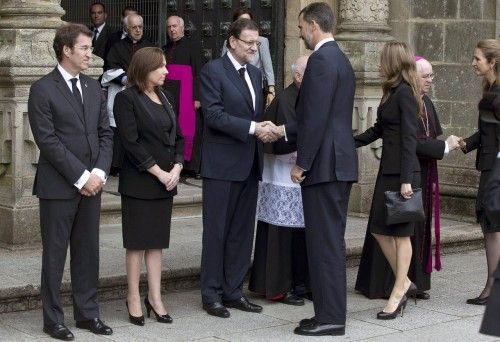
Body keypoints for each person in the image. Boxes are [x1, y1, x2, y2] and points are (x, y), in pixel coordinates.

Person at [28, 23, 113, 340]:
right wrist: (81, 177)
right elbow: (47, 142)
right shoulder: (43, 89)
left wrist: (100, 173)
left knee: (88, 252)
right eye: (85, 48)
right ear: (66, 50)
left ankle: (87, 314)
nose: (91, 54)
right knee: (54, 254)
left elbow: (106, 133)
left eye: (90, 48)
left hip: (94, 186)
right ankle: (53, 320)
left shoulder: (93, 88)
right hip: (59, 187)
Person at [354, 56, 462, 300]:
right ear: (412, 74)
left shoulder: (421, 101)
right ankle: (391, 284)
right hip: (406, 172)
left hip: (416, 173)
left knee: (409, 232)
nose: (430, 81)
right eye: (426, 76)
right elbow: (412, 141)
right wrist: (444, 147)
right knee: (392, 230)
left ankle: (409, 283)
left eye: (432, 76)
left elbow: (416, 139)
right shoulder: (402, 96)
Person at [285, 2, 358, 336]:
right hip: (338, 163)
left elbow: (315, 119)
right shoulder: (340, 58)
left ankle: (330, 318)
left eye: (301, 27)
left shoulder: (321, 61)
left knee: (324, 244)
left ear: (313, 25)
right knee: (329, 243)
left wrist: (302, 163)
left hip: (325, 167)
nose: (300, 34)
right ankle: (329, 313)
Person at [199, 18, 278, 319]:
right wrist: (253, 127)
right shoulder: (213, 71)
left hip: (249, 164)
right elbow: (214, 116)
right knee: (216, 232)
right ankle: (211, 294)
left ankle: (234, 290)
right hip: (221, 166)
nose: (253, 48)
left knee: (242, 233)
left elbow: (254, 115)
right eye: (248, 42)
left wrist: (265, 127)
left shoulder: (256, 73)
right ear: (232, 41)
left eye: (257, 43)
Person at [113, 47, 184, 326]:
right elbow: (131, 143)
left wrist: (176, 168)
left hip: (166, 181)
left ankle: (155, 297)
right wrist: (159, 172)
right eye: (161, 67)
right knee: (137, 245)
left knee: (156, 244)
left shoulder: (167, 96)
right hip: (141, 182)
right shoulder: (126, 99)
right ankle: (133, 297)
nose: (166, 71)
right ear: (145, 69)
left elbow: (178, 136)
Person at [354, 41, 422, 321]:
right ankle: (403, 282)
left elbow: (409, 138)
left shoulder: (405, 94)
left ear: (393, 63)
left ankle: (397, 292)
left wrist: (407, 179)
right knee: (380, 230)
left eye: (382, 60)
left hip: (403, 174)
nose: (378, 64)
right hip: (388, 172)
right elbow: (379, 129)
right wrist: (349, 142)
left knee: (401, 234)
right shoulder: (391, 92)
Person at [248, 55, 311, 306]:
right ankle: (277, 287)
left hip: (297, 175)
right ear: (298, 77)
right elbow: (287, 136)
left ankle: (300, 283)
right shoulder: (286, 99)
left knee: (296, 236)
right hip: (284, 176)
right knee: (280, 236)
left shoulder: (305, 95)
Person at [459, 39, 500, 306]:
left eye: (477, 59)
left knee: (492, 223)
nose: (473, 63)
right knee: (491, 225)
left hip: (495, 168)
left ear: (492, 62)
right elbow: (489, 131)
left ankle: (492, 288)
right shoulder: (491, 89)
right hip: (490, 164)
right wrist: (466, 143)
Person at [102, 13, 154, 176]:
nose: (138, 30)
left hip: (143, 93)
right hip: (122, 93)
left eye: (140, 27)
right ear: (126, 28)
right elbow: (109, 69)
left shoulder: (149, 47)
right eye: (134, 27)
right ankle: (116, 165)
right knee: (120, 129)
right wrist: (126, 79)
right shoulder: (117, 47)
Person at [163, 15, 203, 177]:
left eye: (175, 26)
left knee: (189, 128)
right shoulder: (165, 48)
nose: (172, 29)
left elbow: (199, 72)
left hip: (187, 93)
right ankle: (173, 161)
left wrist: (198, 97)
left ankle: (190, 166)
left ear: (182, 27)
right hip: (169, 93)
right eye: (169, 27)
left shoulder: (192, 45)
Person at [221, 7, 276, 107]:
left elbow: (268, 68)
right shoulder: (228, 42)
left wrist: (271, 91)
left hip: (256, 87)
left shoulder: (262, 41)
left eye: (248, 21)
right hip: (234, 88)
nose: (246, 24)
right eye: (242, 21)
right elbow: (224, 66)